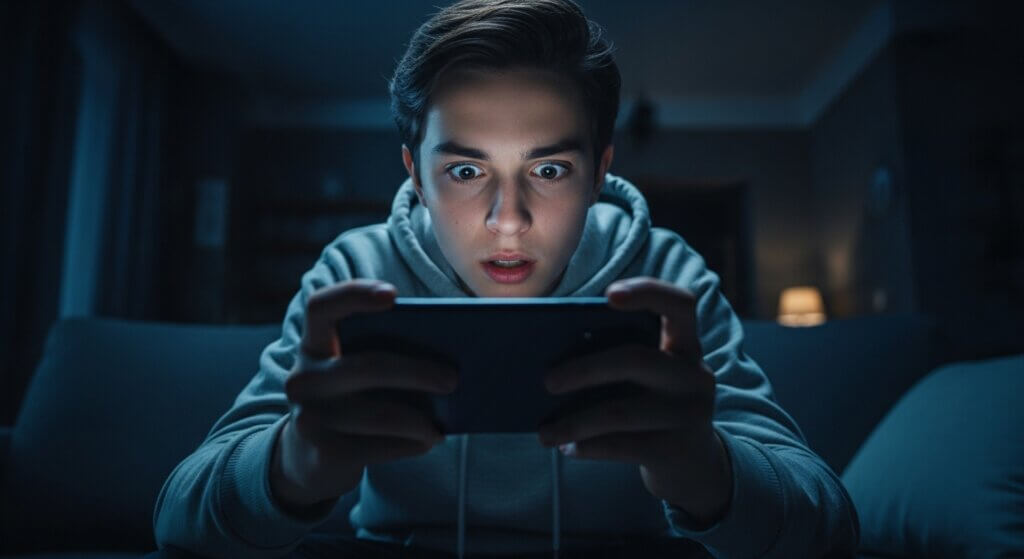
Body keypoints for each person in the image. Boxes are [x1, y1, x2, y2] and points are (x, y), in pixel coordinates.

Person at [152, 0, 859, 557]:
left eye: (549, 170)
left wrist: (707, 468)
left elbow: (827, 524)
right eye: (465, 171)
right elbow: (179, 518)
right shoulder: (356, 270)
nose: (510, 221)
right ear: (415, 175)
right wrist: (291, 464)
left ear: (601, 172)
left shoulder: (664, 272)